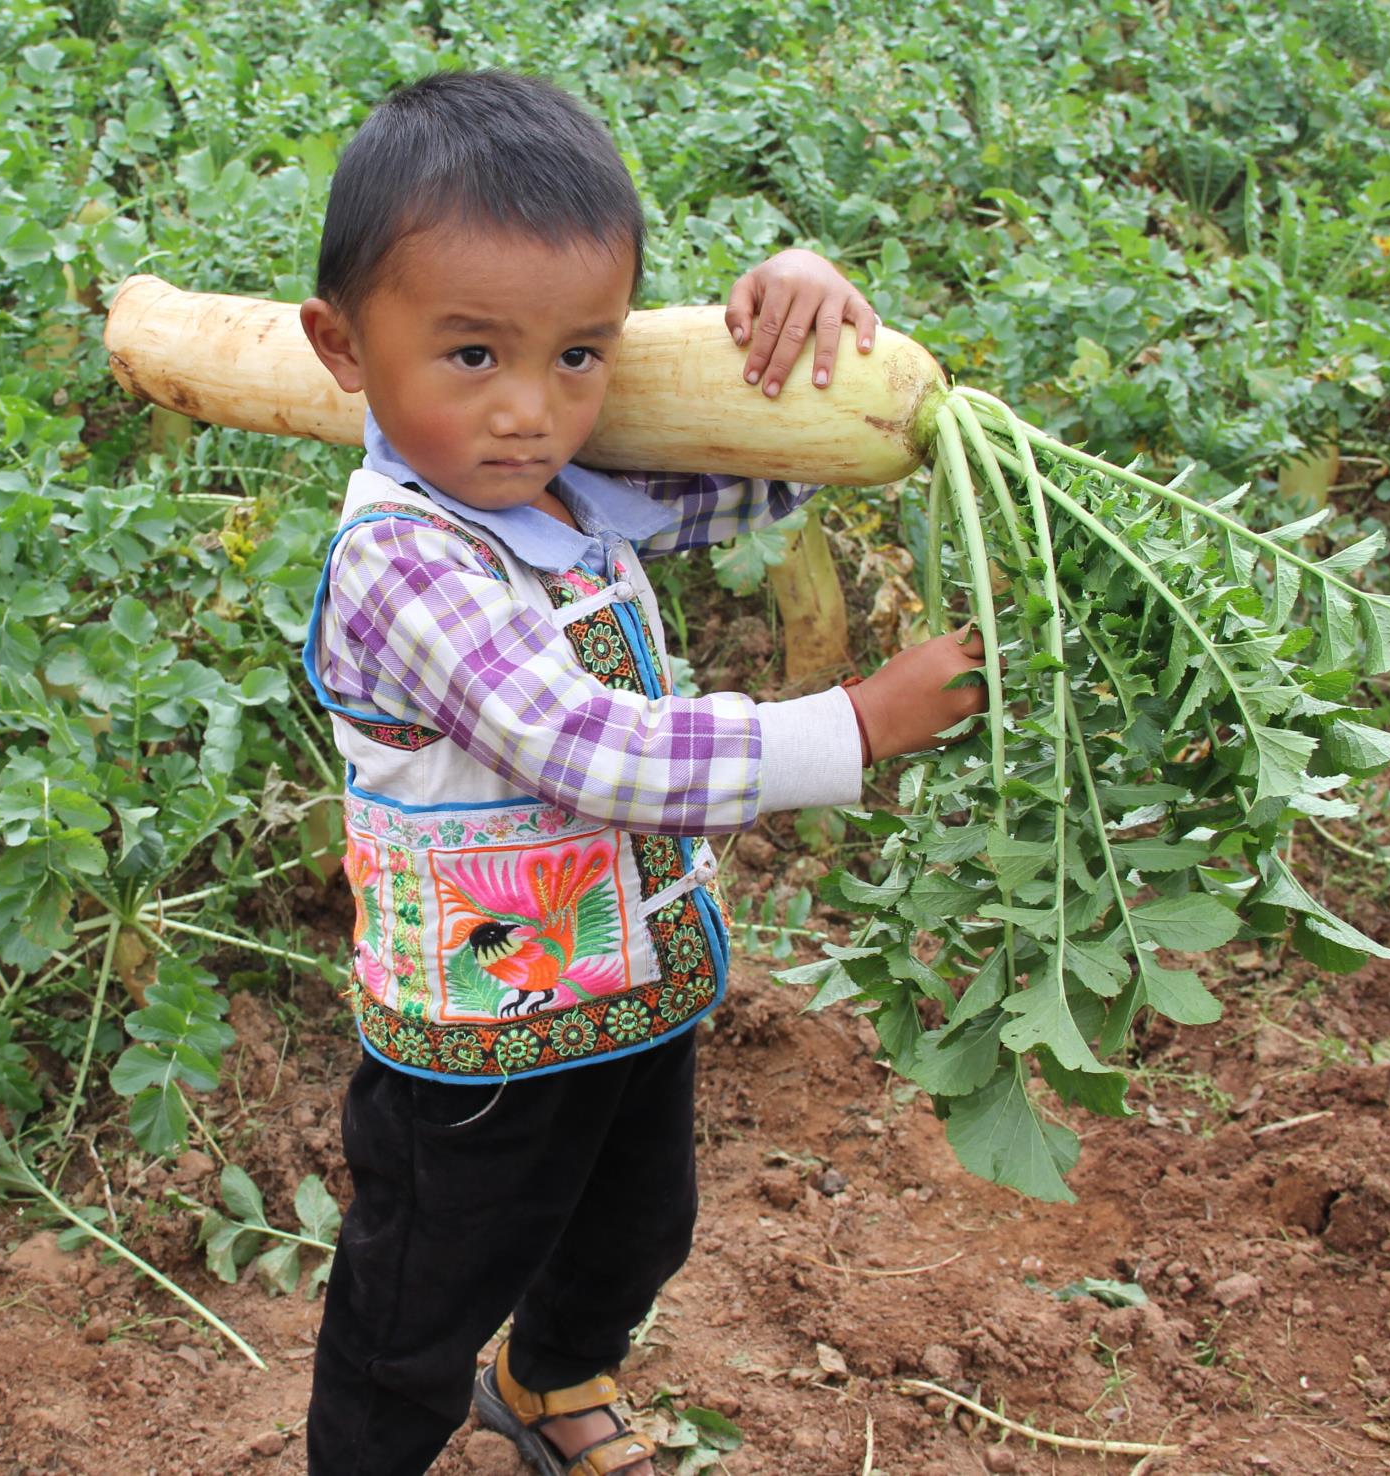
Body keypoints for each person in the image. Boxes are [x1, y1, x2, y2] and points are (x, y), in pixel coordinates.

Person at [294, 69, 985, 1476]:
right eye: (473, 356)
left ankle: (548, 1385)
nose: (532, 412)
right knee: (414, 1303)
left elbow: (755, 472)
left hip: (631, 988)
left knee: (633, 1229)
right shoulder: (402, 558)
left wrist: (803, 309)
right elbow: (587, 750)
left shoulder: (559, 487)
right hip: (477, 1037)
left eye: (580, 357)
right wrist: (850, 725)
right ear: (342, 345)